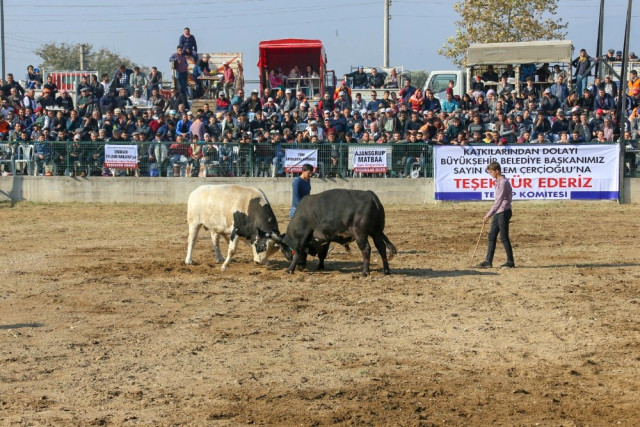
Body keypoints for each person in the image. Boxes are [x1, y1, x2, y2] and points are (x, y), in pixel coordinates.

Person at [478, 161, 514, 269]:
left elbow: (498, 201)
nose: (491, 174)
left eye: (491, 172)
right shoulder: (498, 182)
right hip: (499, 211)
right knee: (492, 236)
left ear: (497, 171)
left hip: (503, 211)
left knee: (503, 237)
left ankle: (510, 261)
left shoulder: (503, 182)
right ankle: (488, 260)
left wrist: (488, 214)